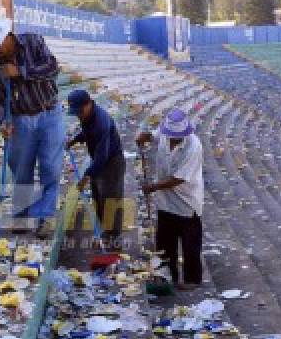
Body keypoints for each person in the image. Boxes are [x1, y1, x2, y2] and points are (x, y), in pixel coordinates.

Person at [0, 17, 63, 238]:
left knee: (51, 167)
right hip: (19, 120)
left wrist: (21, 72)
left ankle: (45, 217)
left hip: (49, 113)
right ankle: (21, 217)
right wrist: (3, 121)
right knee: (21, 170)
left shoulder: (33, 42)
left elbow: (52, 68)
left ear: (6, 37)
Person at [136, 107, 204, 290]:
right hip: (165, 201)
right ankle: (168, 277)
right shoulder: (165, 133)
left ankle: (192, 279)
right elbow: (154, 136)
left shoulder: (193, 147)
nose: (172, 138)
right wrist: (146, 136)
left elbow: (179, 179)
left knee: (190, 244)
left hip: (186, 201)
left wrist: (153, 187)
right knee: (165, 242)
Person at [65, 88, 125, 244]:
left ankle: (113, 236)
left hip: (111, 162)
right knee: (98, 197)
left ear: (89, 104)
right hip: (99, 160)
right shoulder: (87, 116)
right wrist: (74, 140)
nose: (78, 115)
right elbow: (87, 132)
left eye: (80, 111)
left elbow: (102, 157)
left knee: (110, 198)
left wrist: (86, 175)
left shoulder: (101, 123)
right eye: (76, 112)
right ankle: (104, 231)